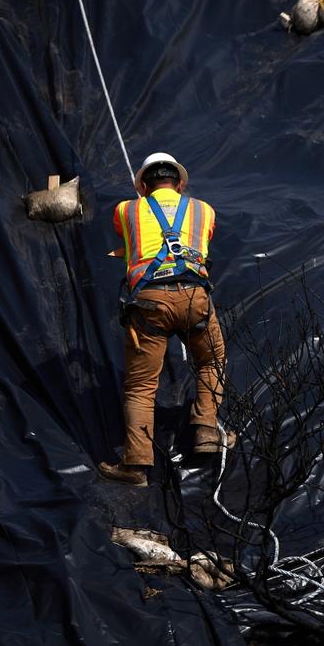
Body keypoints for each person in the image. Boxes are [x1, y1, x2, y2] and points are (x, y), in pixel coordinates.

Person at [98, 152, 232, 487]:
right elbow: (200, 241)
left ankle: (136, 465)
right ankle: (207, 434)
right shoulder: (204, 210)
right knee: (211, 362)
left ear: (143, 185)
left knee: (141, 386)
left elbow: (129, 240)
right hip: (193, 297)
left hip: (149, 302)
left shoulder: (126, 209)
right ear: (181, 183)